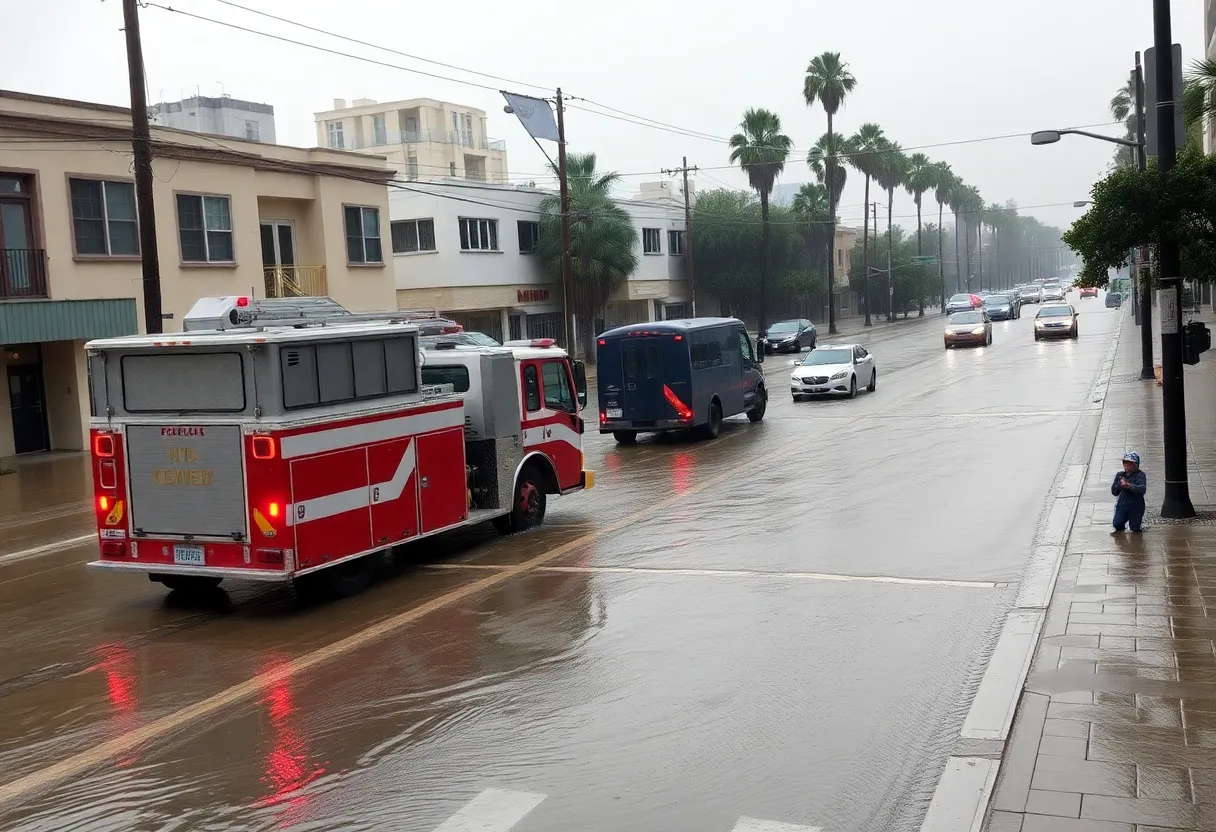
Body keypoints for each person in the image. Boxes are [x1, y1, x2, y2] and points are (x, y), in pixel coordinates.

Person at [1111, 451, 1147, 534]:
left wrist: (1128, 485)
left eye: (1129, 464)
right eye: (1125, 463)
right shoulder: (1120, 475)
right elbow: (1114, 491)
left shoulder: (1141, 475)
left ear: (1135, 465)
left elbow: (1142, 489)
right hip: (1122, 505)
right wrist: (1120, 485)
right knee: (1117, 524)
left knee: (1135, 528)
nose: (1126, 466)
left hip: (1136, 507)